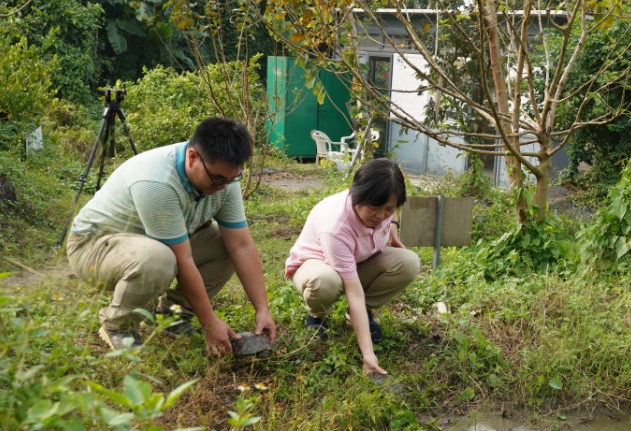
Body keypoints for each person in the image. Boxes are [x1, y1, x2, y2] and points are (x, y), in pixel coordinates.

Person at [66, 117, 277, 355]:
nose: (224, 186)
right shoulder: (157, 181)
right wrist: (209, 323)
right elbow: (182, 259)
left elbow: (241, 245)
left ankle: (171, 316)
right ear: (193, 157)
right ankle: (118, 327)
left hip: (152, 244)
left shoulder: (224, 178)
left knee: (223, 244)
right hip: (93, 247)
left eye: (232, 178)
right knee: (159, 259)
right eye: (218, 179)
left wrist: (262, 309)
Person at [284, 157, 420, 377]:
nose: (380, 216)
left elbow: (389, 209)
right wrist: (368, 354)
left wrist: (392, 225)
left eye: (389, 209)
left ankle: (358, 315)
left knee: (409, 262)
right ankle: (317, 317)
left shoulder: (384, 210)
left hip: (358, 260)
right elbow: (353, 292)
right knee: (325, 282)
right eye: (375, 209)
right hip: (315, 264)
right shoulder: (336, 226)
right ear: (357, 197)